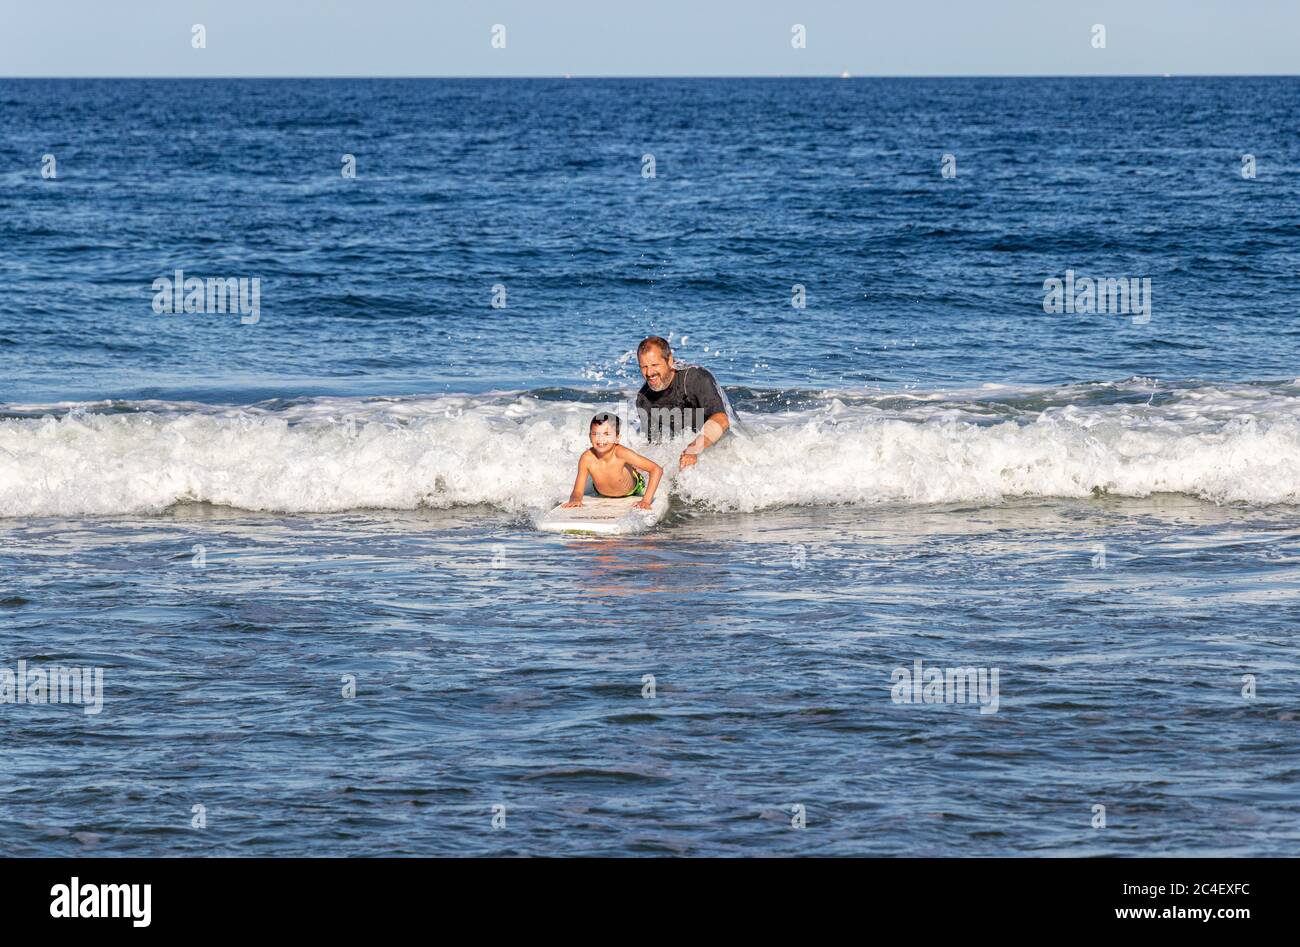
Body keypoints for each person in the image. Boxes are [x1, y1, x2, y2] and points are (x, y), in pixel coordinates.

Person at [634, 335, 730, 469]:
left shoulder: (695, 378)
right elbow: (655, 446)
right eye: (643, 367)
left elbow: (722, 419)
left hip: (725, 448)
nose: (649, 373)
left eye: (654, 365)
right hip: (687, 453)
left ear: (669, 360)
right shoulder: (644, 399)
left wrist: (693, 448)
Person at [562, 412, 663, 511]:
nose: (600, 438)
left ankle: (633, 469)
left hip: (633, 489)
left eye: (607, 434)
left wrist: (646, 501)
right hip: (600, 491)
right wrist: (575, 500)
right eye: (595, 433)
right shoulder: (586, 458)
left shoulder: (622, 453)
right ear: (589, 436)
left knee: (633, 467)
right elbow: (577, 491)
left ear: (617, 438)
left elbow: (656, 469)